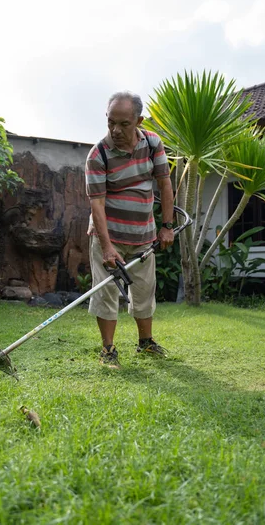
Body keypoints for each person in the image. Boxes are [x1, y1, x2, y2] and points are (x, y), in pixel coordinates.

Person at [85, 91, 175, 368]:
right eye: (111, 122)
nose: (116, 130)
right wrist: (107, 246)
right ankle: (108, 349)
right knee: (106, 291)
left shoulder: (152, 143)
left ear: (139, 120)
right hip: (107, 236)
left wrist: (167, 227)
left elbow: (165, 184)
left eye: (124, 124)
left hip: (143, 236)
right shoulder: (98, 154)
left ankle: (145, 343)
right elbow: (97, 205)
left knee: (145, 290)